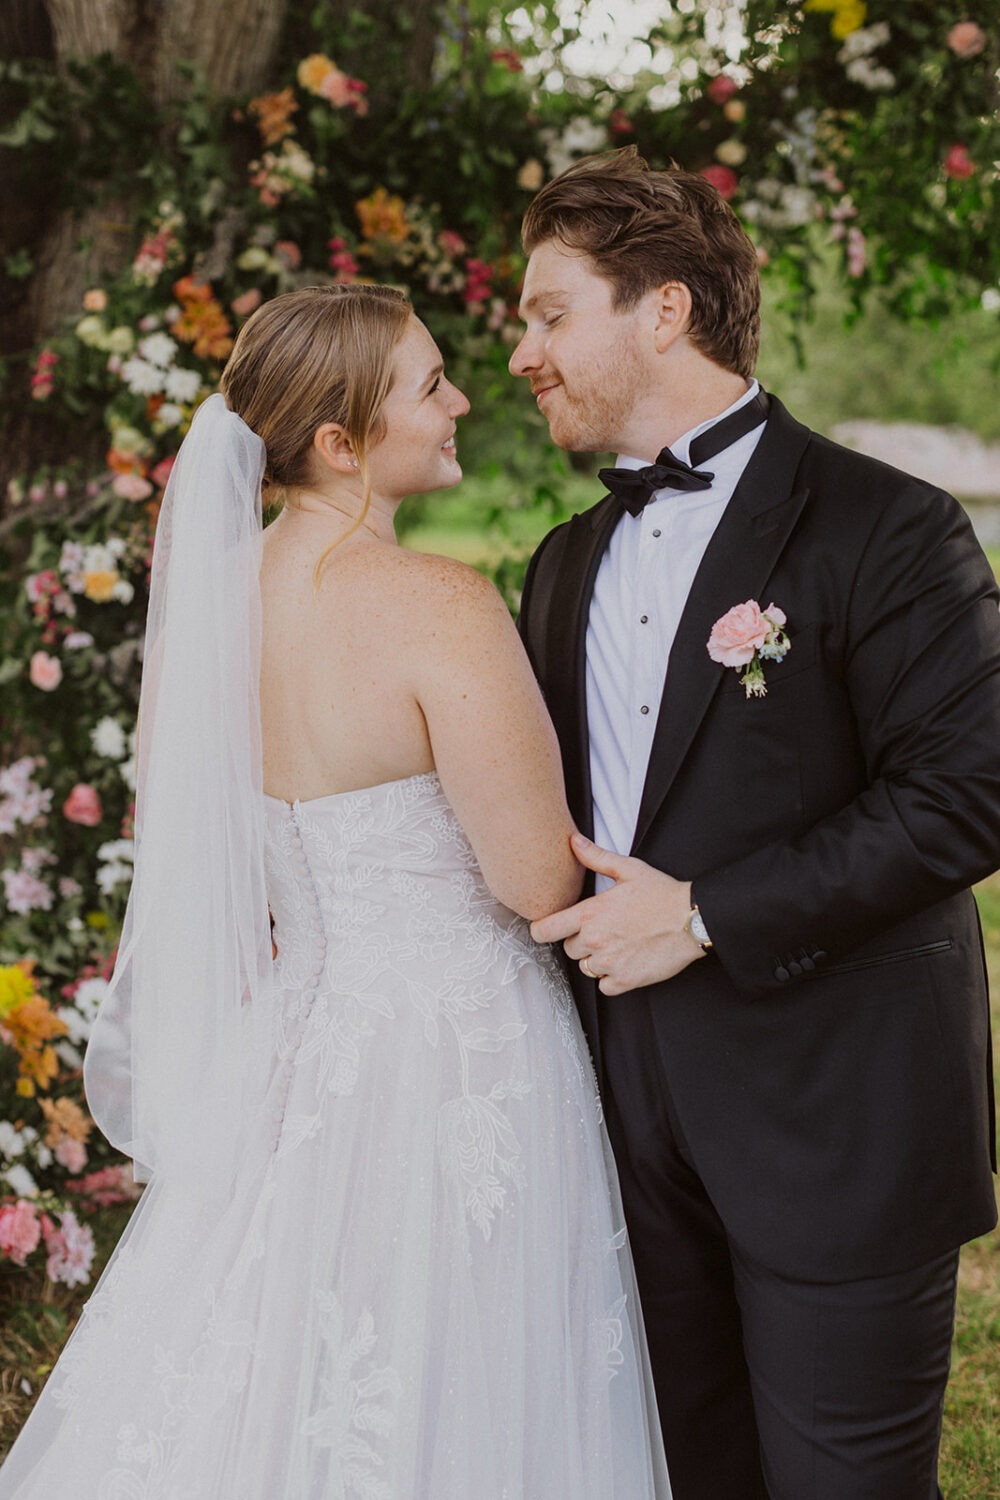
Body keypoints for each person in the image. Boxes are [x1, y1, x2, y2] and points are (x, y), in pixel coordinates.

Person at [0, 284, 670, 1499]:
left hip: (294, 1046)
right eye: (429, 385)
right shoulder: (441, 609)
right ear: (340, 443)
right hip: (458, 1054)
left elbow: (206, 836)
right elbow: (531, 879)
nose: (464, 397)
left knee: (263, 1357)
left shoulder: (211, 618)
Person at [511, 146, 1000, 1500]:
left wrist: (710, 914)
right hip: (620, 1135)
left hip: (837, 1119)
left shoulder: (889, 528)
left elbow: (969, 791)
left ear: (662, 308)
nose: (519, 353)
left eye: (549, 313)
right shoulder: (564, 565)